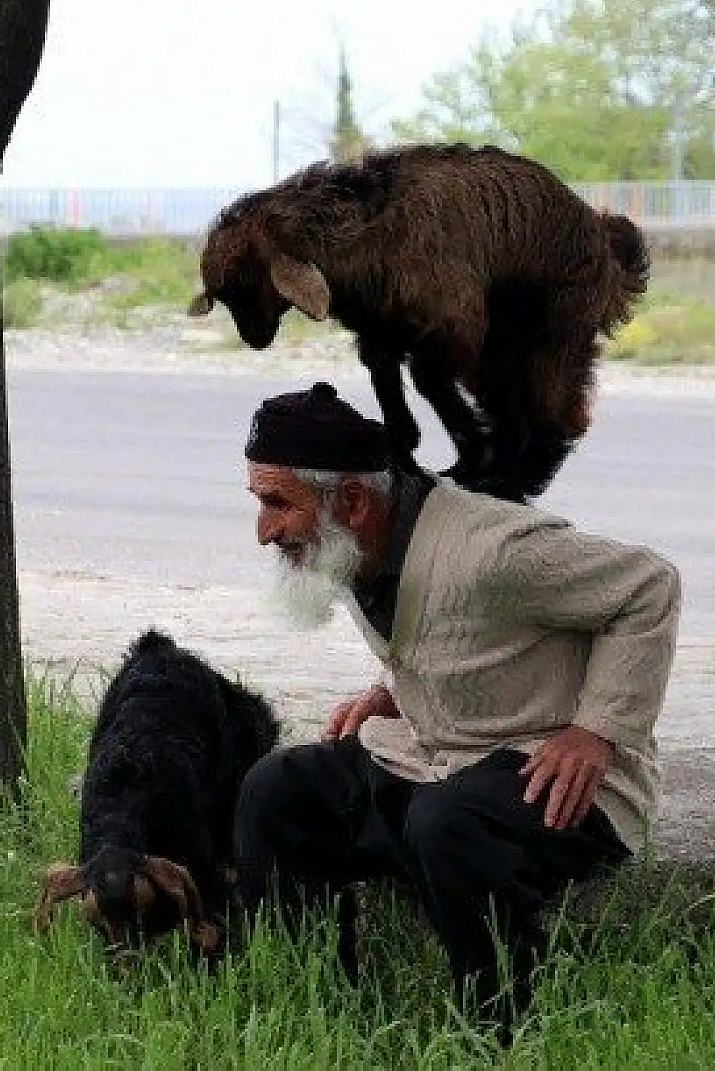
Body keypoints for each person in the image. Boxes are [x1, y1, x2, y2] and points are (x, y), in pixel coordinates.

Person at [233, 381, 681, 1036]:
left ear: (353, 500)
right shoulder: (363, 538)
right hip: (436, 756)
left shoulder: (492, 551)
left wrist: (598, 730)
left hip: (561, 779)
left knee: (445, 825)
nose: (264, 531)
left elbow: (649, 586)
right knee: (276, 790)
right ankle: (319, 1015)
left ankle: (495, 1031)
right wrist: (394, 687)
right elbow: (446, 625)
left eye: (277, 504)